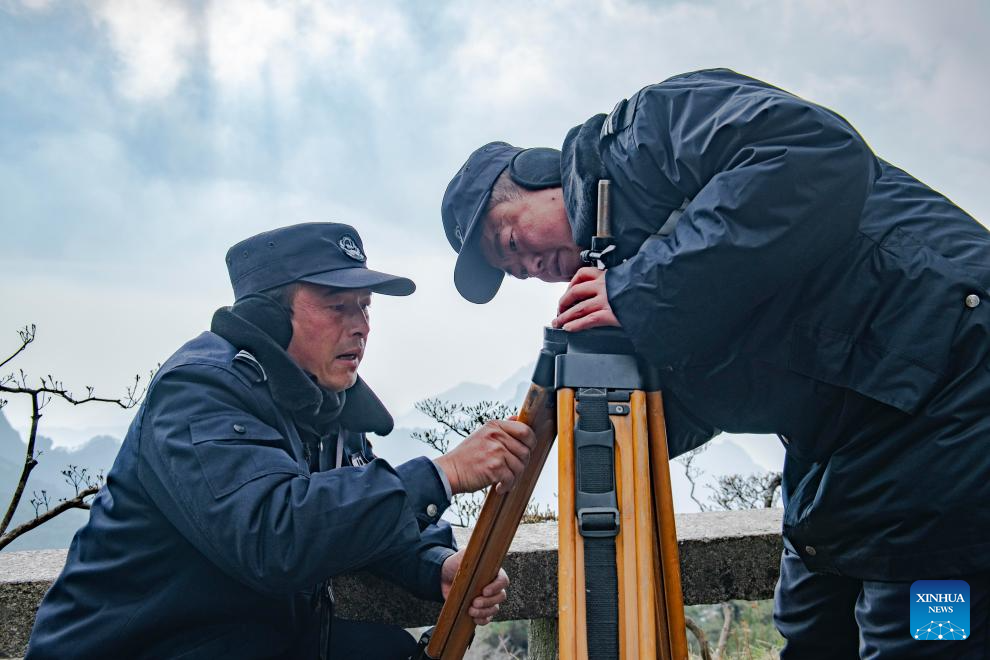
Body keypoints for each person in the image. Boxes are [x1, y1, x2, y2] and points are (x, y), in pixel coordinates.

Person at [441, 68, 990, 658]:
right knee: (810, 634)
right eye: (517, 273)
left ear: (535, 175)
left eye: (512, 244)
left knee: (922, 636)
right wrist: (609, 392)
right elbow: (721, 380)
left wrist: (639, 292)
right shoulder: (625, 272)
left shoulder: (643, 136)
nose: (531, 268)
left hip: (953, 376)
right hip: (846, 435)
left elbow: (816, 156)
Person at [27, 222, 536, 659]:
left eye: (365, 307)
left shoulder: (325, 401)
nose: (360, 327)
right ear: (268, 318)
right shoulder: (200, 393)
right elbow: (274, 537)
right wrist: (443, 474)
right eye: (338, 306)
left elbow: (349, 515)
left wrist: (436, 566)